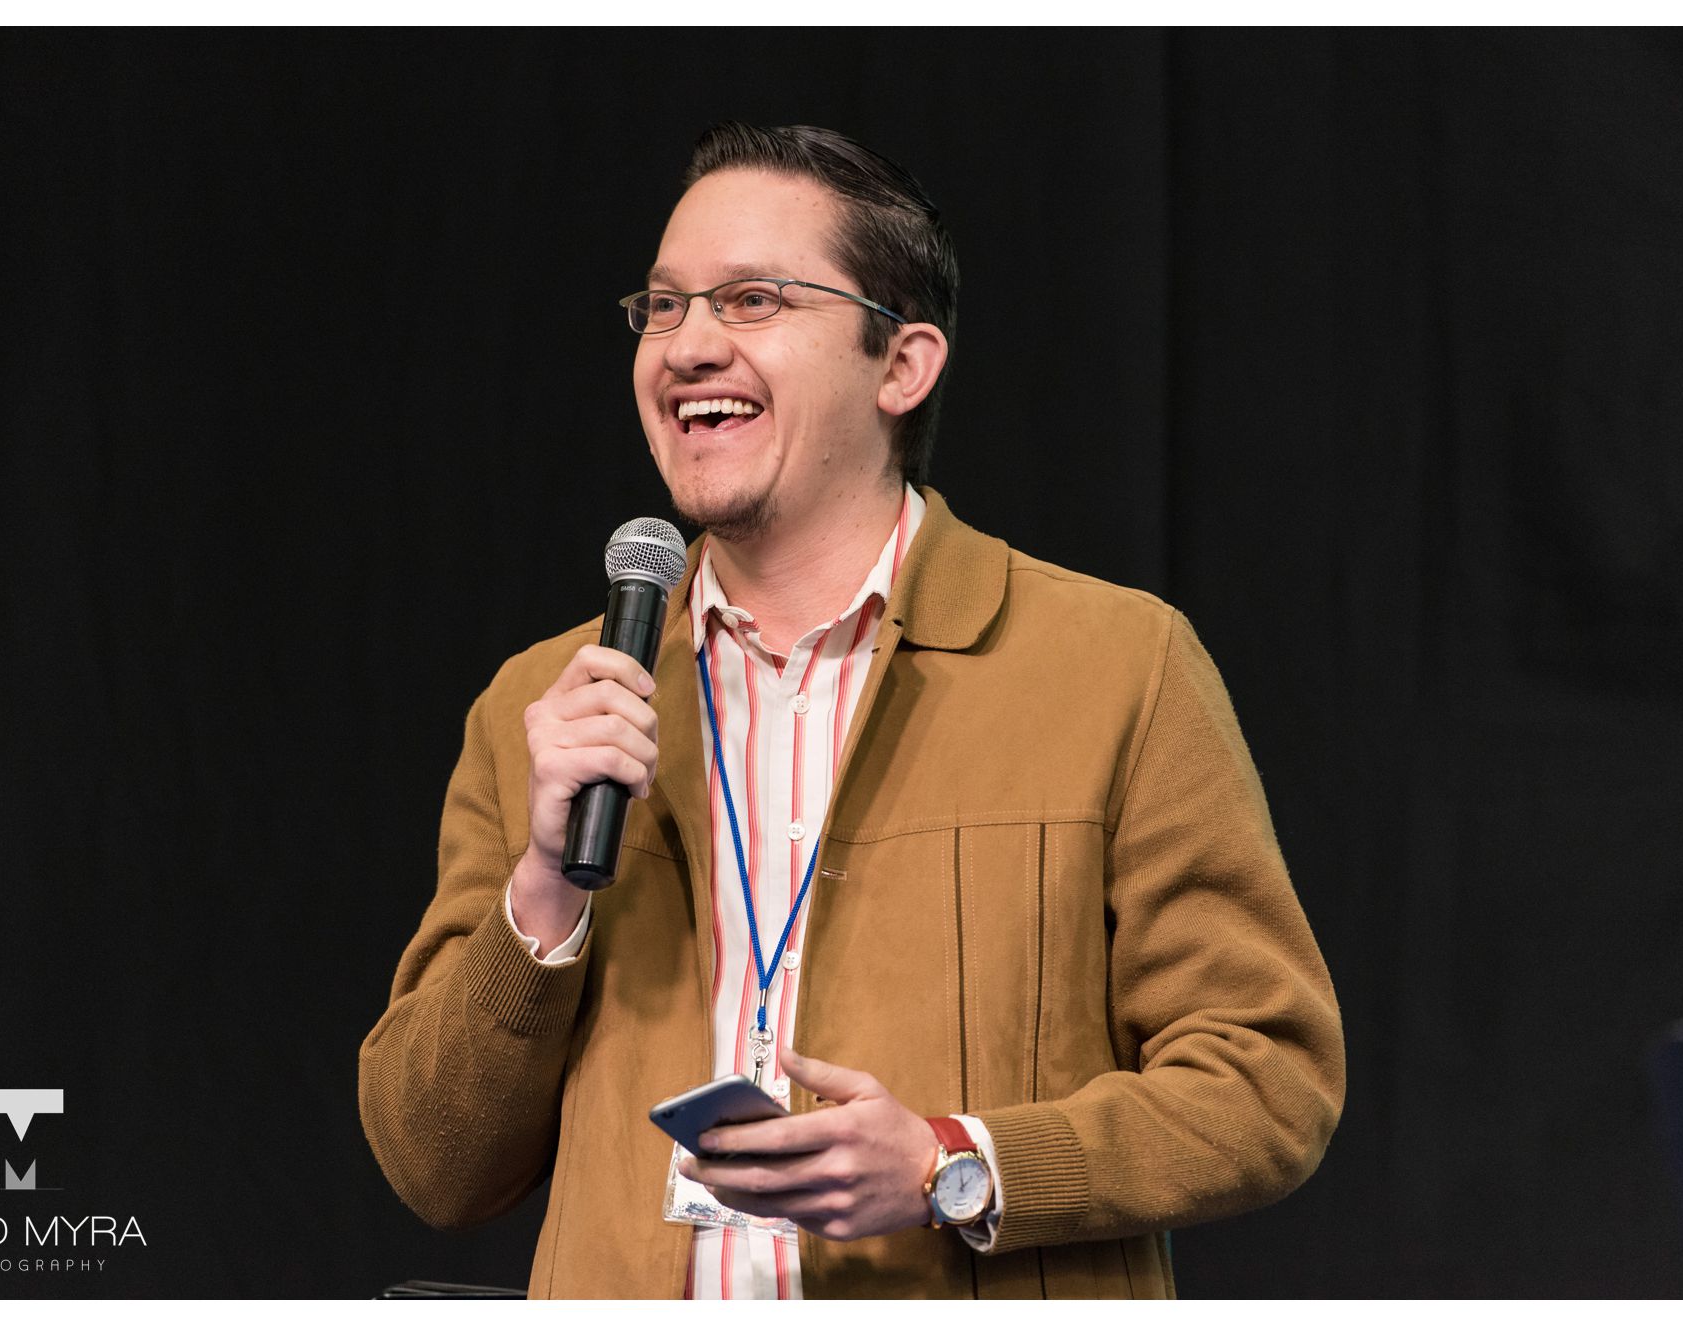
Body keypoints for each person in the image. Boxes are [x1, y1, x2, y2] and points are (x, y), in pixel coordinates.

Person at [358, 122, 1343, 1299]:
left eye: (753, 300)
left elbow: (1268, 1082)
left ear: (902, 365)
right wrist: (544, 890)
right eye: (663, 307)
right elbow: (433, 1163)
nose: (689, 345)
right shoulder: (550, 705)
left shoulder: (1116, 669)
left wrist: (952, 1164)